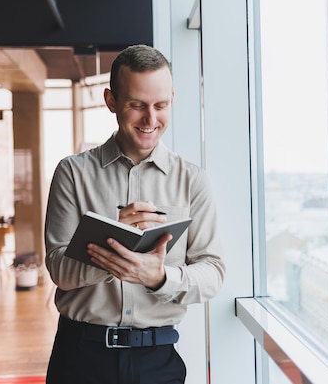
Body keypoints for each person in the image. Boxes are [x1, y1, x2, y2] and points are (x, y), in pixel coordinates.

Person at [44, 44, 226, 384]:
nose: (150, 119)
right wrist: (111, 241)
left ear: (172, 98)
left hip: (158, 361)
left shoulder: (193, 181)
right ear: (111, 101)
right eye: (137, 105)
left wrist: (159, 278)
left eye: (161, 105)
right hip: (80, 357)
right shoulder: (72, 173)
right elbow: (59, 270)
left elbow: (212, 272)